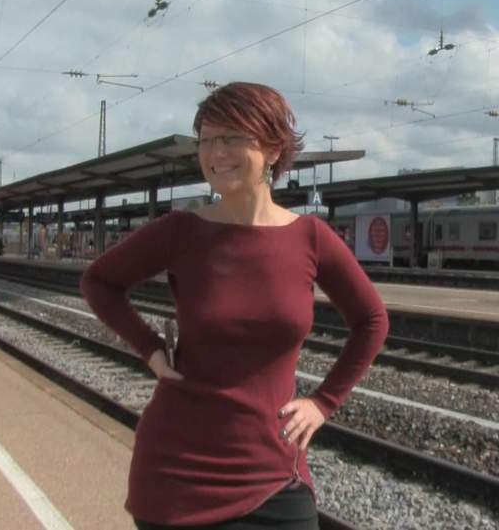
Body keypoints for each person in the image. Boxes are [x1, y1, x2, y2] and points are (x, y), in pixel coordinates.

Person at [80, 82, 389, 529]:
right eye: (206, 140)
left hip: (274, 473)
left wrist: (323, 403)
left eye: (231, 138)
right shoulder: (180, 231)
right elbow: (99, 282)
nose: (216, 152)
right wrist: (150, 349)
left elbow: (372, 320)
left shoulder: (311, 238)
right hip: (177, 475)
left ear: (273, 148)